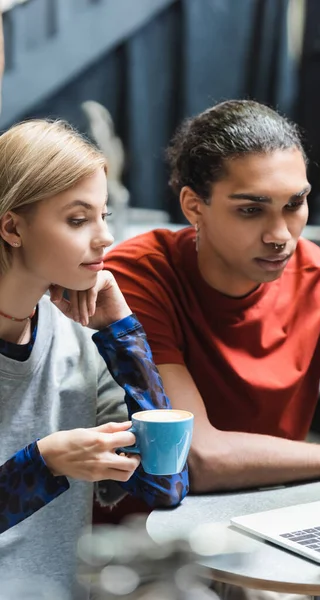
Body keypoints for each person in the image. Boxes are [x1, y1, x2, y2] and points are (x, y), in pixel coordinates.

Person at [105, 99, 320, 497]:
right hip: (151, 535)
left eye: (294, 204)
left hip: (273, 511)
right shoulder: (138, 275)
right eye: (250, 210)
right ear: (195, 206)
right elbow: (197, 457)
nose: (280, 234)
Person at [0, 119, 189, 598]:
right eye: (78, 219)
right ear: (12, 226)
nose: (105, 238)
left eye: (104, 215)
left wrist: (121, 331)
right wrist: (45, 463)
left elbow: (164, 484)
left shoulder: (77, 333)